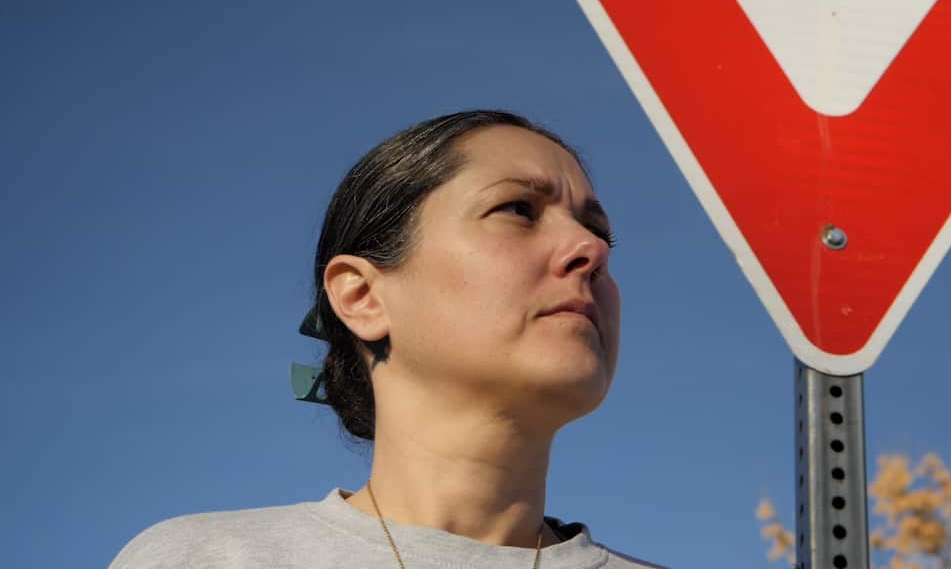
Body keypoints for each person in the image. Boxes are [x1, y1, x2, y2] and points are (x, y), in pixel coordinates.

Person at [111, 110, 664, 569]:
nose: (591, 249)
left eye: (598, 230)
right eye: (517, 209)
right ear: (361, 297)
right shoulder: (206, 559)